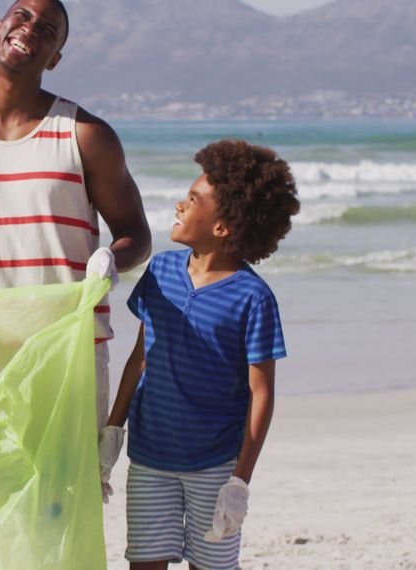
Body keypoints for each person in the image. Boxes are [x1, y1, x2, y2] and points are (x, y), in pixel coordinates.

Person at [0, 0, 151, 426]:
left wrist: (112, 258)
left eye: (49, 28)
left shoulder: (86, 135)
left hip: (69, 357)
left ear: (54, 59)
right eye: (22, 15)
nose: (32, 27)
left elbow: (135, 233)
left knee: (69, 494)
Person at [100, 140, 300, 570]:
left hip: (216, 464)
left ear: (224, 226)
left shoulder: (253, 298)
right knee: (144, 562)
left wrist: (240, 481)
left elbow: (261, 394)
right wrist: (113, 431)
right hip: (150, 457)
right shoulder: (160, 271)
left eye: (193, 200)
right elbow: (140, 356)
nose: (180, 204)